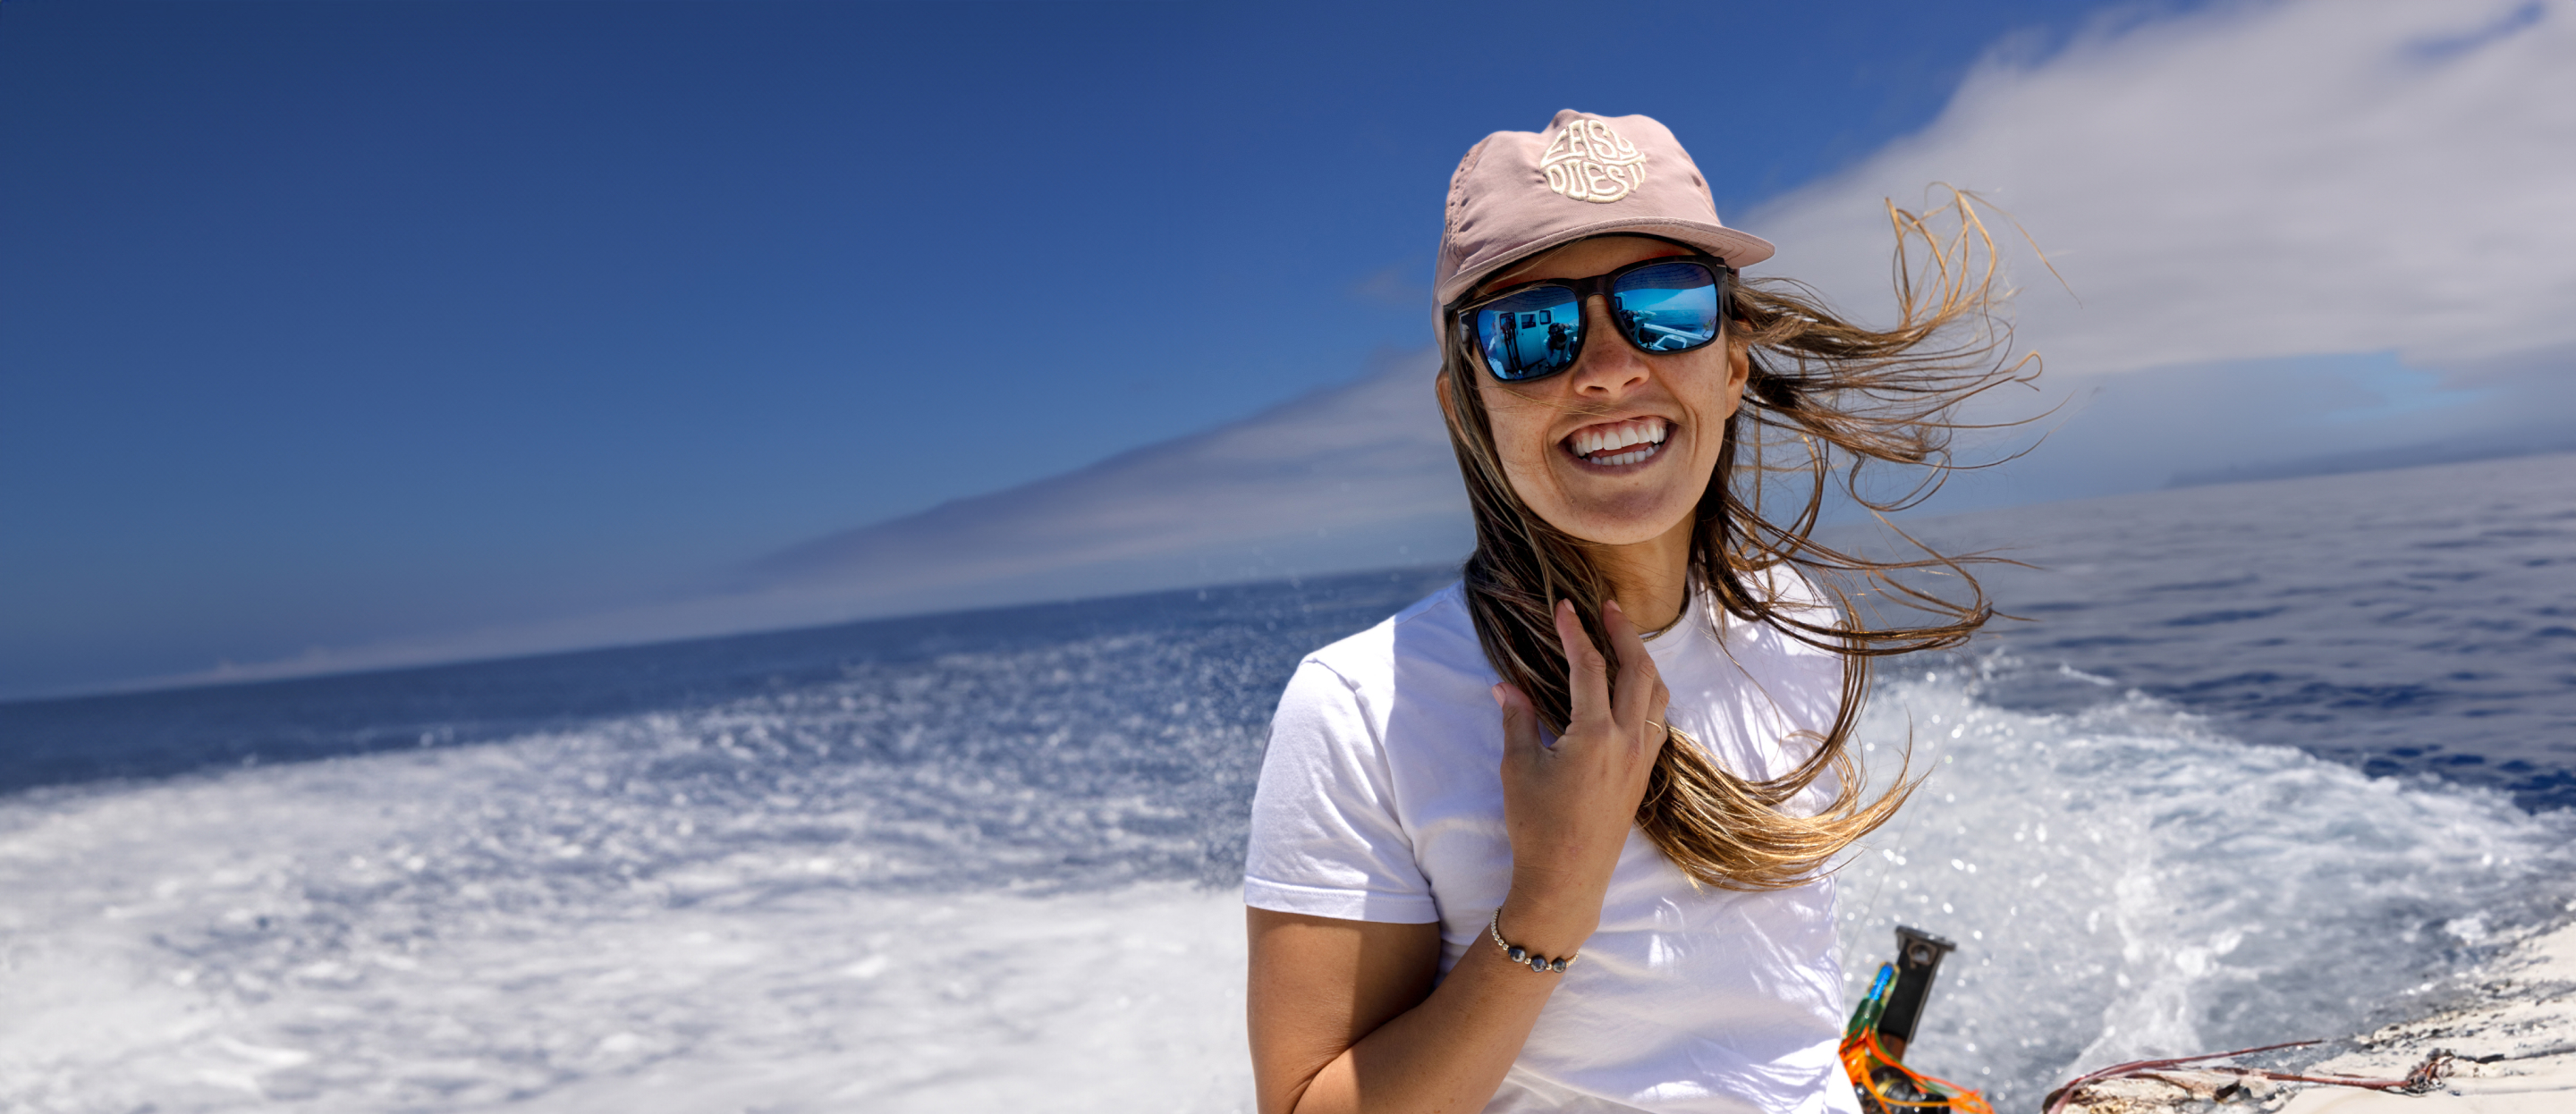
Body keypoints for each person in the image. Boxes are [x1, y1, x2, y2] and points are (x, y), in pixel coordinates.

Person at [1241, 110, 2028, 1114]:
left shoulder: (1798, 625)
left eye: (1666, 306)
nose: (1609, 366)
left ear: (1733, 363)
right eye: (1535, 330)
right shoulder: (1358, 708)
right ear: (1466, 402)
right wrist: (1548, 905)